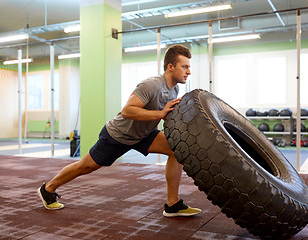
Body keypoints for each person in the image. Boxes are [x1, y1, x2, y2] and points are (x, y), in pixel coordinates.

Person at [37, 44, 201, 217]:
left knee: (176, 151)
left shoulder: (174, 88)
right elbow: (127, 110)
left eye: (188, 67)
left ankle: (172, 204)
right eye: (185, 66)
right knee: (85, 167)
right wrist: (160, 113)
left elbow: (161, 114)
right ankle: (48, 189)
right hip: (118, 135)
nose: (188, 71)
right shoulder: (151, 85)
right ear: (170, 67)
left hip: (144, 135)